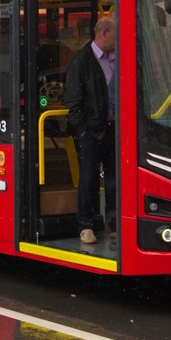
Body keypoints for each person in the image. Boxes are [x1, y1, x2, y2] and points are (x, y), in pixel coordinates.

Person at [63, 16, 117, 245]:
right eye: (115, 34)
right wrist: (84, 131)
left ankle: (114, 224)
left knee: (115, 178)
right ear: (104, 33)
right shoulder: (81, 61)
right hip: (92, 131)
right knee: (88, 178)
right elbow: (73, 102)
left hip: (114, 127)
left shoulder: (117, 59)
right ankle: (85, 225)